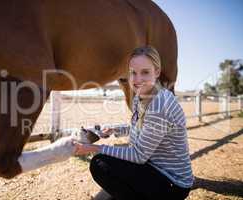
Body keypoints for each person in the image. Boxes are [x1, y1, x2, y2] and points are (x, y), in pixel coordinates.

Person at [74, 46, 194, 200]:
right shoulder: (141, 96)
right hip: (153, 169)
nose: (137, 80)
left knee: (100, 164)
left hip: (172, 184)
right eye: (133, 73)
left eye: (145, 72)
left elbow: (139, 155)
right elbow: (143, 128)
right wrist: (116, 130)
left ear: (156, 72)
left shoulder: (160, 105)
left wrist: (94, 148)